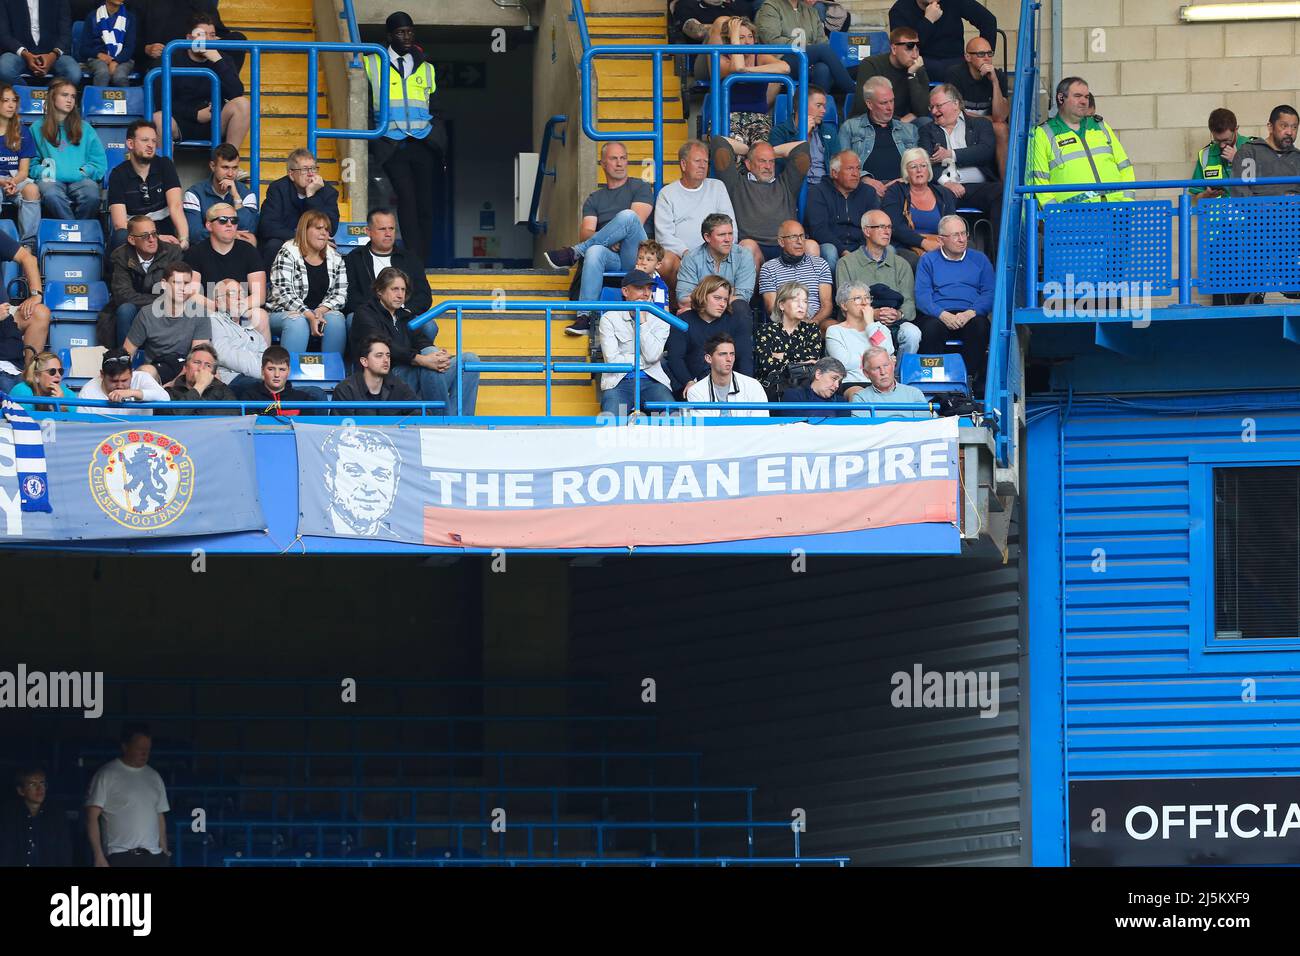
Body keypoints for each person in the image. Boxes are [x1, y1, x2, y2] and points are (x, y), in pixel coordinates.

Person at [544, 141, 653, 336]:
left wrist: (610, 237)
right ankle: (584, 316)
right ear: (602, 163)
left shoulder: (640, 186)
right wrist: (608, 240)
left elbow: (635, 221)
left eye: (623, 158)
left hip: (636, 255)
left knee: (627, 216)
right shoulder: (594, 199)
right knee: (593, 250)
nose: (620, 163)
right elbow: (586, 232)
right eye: (614, 158)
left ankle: (575, 252)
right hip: (611, 256)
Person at [363, 11, 444, 265]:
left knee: (426, 205)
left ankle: (424, 260)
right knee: (407, 200)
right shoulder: (372, 63)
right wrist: (375, 140)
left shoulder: (426, 66)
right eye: (400, 32)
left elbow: (436, 105)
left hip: (423, 141)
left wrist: (436, 136)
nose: (407, 36)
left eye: (410, 31)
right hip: (392, 143)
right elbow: (362, 105)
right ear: (389, 36)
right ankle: (414, 261)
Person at [349, 265, 479, 416]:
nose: (400, 295)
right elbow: (385, 347)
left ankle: (462, 421)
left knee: (469, 360)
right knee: (429, 367)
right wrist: (422, 360)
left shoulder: (404, 315)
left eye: (403, 290)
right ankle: (441, 421)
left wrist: (437, 356)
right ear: (380, 291)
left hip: (414, 372)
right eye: (394, 289)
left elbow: (421, 341)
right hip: (388, 377)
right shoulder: (365, 314)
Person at [711, 134, 813, 274]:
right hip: (754, 248)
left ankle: (804, 295)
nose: (768, 166)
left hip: (786, 246)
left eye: (771, 161)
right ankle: (749, 296)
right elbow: (718, 143)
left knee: (812, 246)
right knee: (747, 247)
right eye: (762, 161)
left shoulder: (786, 184)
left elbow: (803, 148)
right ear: (748, 164)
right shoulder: (736, 184)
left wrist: (769, 149)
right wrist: (749, 149)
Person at [1028, 76, 1134, 207]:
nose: (1084, 101)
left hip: (1116, 212)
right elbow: (1040, 181)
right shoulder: (1043, 133)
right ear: (1061, 98)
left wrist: (1127, 203)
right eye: (1078, 96)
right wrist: (1056, 216)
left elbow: (1125, 166)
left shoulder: (1100, 126)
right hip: (1072, 218)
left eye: (1086, 97)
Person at [914, 214, 993, 386]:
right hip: (939, 315)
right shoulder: (928, 260)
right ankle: (934, 384)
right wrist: (942, 315)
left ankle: (968, 381)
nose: (962, 239)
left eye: (964, 233)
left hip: (970, 313)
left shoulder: (980, 259)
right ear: (941, 240)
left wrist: (970, 313)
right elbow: (922, 296)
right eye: (956, 235)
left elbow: (989, 293)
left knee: (980, 326)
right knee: (930, 328)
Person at [155, 12, 250, 149]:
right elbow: (162, 102)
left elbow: (236, 93)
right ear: (189, 38)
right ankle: (165, 169)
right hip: (183, 121)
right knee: (159, 118)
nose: (207, 40)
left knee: (243, 104)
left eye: (212, 35)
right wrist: (195, 114)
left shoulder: (221, 58)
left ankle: (229, 163)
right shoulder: (172, 58)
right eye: (202, 34)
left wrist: (218, 61)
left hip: (215, 122)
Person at [653, 139, 735, 294]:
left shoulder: (717, 187)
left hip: (717, 255)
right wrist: (689, 255)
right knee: (665, 261)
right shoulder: (667, 193)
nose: (703, 165)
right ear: (683, 165)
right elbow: (663, 236)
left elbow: (730, 226)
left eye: (706, 161)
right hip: (682, 258)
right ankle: (676, 307)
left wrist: (713, 254)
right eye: (697, 161)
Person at [86, 723, 171, 867]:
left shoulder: (154, 776)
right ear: (125, 747)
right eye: (140, 748)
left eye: (148, 749)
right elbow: (91, 817)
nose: (145, 753)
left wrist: (164, 850)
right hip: (121, 856)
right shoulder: (106, 774)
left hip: (153, 856)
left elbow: (159, 815)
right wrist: (98, 856)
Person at [919, 84, 1001, 230]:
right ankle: (950, 248)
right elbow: (926, 162)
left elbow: (985, 151)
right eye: (931, 107)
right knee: (941, 197)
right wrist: (947, 183)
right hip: (945, 188)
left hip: (977, 187)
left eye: (938, 106)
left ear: (955, 104)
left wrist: (951, 154)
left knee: (1001, 193)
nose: (934, 111)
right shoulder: (927, 131)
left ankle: (997, 251)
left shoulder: (980, 124)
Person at [185, 201, 270, 342]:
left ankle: (261, 362)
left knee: (260, 316)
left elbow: (259, 296)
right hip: (210, 310)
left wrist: (235, 308)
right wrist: (220, 307)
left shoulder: (249, 251)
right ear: (209, 225)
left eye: (234, 220)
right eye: (223, 220)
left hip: (242, 311)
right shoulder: (195, 252)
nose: (229, 224)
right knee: (198, 315)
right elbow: (192, 294)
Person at [835, 210, 919, 350]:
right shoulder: (846, 263)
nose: (887, 232)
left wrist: (899, 314)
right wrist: (872, 314)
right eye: (881, 227)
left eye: (889, 227)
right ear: (867, 231)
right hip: (859, 323)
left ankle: (897, 371)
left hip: (895, 322)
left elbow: (909, 302)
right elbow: (844, 304)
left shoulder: (902, 264)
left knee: (912, 333)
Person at [266, 210, 348, 355]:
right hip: (283, 312)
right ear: (305, 230)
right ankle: (289, 375)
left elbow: (340, 294)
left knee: (336, 320)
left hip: (319, 313)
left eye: (326, 229)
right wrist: (309, 316)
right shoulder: (288, 252)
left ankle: (332, 374)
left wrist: (320, 311)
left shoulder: (335, 256)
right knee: (297, 322)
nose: (324, 233)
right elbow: (283, 294)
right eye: (318, 228)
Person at [597, 268, 675, 417]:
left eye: (649, 289)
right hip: (619, 382)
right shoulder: (609, 318)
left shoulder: (661, 318)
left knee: (671, 418)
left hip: (652, 380)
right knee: (611, 420)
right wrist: (644, 360)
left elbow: (652, 356)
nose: (646, 294)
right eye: (640, 288)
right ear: (625, 292)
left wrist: (643, 322)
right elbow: (613, 362)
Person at [703, 15, 788, 147]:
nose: (748, 42)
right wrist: (734, 38)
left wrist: (751, 71)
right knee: (732, 147)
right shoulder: (722, 58)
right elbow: (738, 67)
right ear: (731, 40)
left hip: (759, 119)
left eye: (750, 37)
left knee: (762, 151)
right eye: (741, 37)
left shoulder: (759, 56)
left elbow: (785, 67)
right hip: (727, 118)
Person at [124, 260, 212, 383]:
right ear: (164, 284)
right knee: (145, 372)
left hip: (188, 372)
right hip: (157, 371)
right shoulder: (147, 314)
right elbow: (127, 353)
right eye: (177, 283)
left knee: (202, 372)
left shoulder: (200, 314)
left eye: (186, 283)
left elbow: (199, 359)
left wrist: (173, 384)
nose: (182, 288)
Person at [665, 274, 754, 395]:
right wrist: (688, 381)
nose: (722, 304)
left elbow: (745, 357)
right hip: (693, 387)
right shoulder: (683, 321)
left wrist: (745, 388)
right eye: (717, 298)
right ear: (703, 296)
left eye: (725, 299)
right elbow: (675, 358)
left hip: (728, 387)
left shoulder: (735, 321)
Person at [106, 119, 187, 250]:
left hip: (165, 232)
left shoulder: (165, 165)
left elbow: (176, 207)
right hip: (135, 236)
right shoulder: (118, 174)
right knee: (120, 236)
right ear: (130, 143)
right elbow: (120, 224)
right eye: (145, 140)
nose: (150, 145)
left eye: (153, 141)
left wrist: (184, 239)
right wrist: (155, 238)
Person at [102, 213, 182, 346]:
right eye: (145, 236)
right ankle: (124, 359)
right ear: (132, 240)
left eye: (154, 234)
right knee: (125, 309)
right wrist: (156, 300)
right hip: (137, 307)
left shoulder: (173, 253)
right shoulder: (121, 256)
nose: (152, 239)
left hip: (165, 309)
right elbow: (123, 296)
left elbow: (176, 292)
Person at [31, 77, 105, 220]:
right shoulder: (36, 128)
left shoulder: (86, 128)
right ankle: (74, 229)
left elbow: (98, 163)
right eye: (64, 95)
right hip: (51, 179)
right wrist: (47, 172)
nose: (69, 100)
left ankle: (80, 231)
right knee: (51, 194)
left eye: (72, 96)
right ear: (52, 98)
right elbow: (31, 163)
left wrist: (84, 171)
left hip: (80, 179)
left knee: (92, 195)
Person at [837, 76, 919, 199]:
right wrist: (864, 179)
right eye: (884, 103)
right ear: (869, 104)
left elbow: (919, 165)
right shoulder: (850, 127)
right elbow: (841, 164)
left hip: (902, 189)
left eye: (892, 101)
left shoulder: (909, 130)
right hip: (864, 190)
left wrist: (902, 181)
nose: (890, 107)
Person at [343, 207, 432, 321]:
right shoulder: (354, 258)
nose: (388, 234)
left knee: (429, 326)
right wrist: (376, 310)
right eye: (382, 229)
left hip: (404, 315)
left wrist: (407, 310)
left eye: (391, 229)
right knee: (352, 320)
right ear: (368, 232)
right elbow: (350, 295)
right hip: (369, 315)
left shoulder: (410, 258)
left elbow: (424, 295)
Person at [754, 0, 856, 99]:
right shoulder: (771, 6)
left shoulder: (811, 11)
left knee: (822, 69)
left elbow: (822, 40)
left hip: (807, 62)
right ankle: (854, 92)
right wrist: (808, 48)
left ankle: (812, 112)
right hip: (781, 60)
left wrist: (812, 54)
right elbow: (772, 40)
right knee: (822, 50)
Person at [258, 148, 340, 269]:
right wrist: (304, 239)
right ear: (291, 174)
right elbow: (267, 226)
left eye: (313, 168)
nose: (311, 173)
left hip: (314, 243)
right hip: (285, 240)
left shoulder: (328, 191)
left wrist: (311, 195)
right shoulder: (278, 189)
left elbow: (330, 227)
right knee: (273, 245)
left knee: (328, 249)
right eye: (305, 169)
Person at [806, 150, 879, 279]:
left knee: (888, 250)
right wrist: (843, 251)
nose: (856, 174)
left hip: (861, 246)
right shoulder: (818, 192)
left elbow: (875, 225)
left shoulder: (868, 192)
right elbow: (819, 230)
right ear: (834, 173)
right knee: (829, 251)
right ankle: (835, 295)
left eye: (858, 168)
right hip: (832, 246)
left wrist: (861, 252)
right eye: (850, 169)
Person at [881, 146, 957, 269]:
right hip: (906, 246)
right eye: (913, 167)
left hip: (940, 244)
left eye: (923, 166)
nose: (919, 170)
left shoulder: (943, 193)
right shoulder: (895, 192)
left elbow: (952, 225)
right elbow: (895, 227)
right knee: (916, 262)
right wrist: (924, 243)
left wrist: (941, 246)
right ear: (906, 171)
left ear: (928, 169)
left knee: (967, 248)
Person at [944, 36, 1009, 178]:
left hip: (986, 125)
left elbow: (1000, 117)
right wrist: (988, 119)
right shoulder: (955, 74)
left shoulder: (998, 76)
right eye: (980, 54)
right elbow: (955, 113)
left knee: (1002, 128)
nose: (986, 58)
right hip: (962, 124)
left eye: (989, 54)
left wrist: (995, 83)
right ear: (968, 57)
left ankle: (1006, 186)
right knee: (998, 126)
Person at [675, 212, 756, 324]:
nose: (728, 239)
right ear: (707, 237)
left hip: (728, 314)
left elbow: (742, 297)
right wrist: (726, 296)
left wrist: (704, 300)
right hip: (700, 318)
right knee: (685, 314)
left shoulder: (743, 255)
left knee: (741, 308)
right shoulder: (691, 258)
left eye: (730, 233)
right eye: (722, 235)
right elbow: (683, 299)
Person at [320, 426, 402, 535]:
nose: (369, 487)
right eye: (354, 471)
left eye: (381, 475)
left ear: (395, 485)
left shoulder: (399, 541)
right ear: (329, 477)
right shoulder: (311, 528)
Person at [888, 0, 997, 80]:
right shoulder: (899, 10)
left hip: (956, 62)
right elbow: (904, 48)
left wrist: (984, 57)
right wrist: (928, 20)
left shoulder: (954, 2)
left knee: (986, 72)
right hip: (920, 64)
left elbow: (988, 21)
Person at [136, 0, 246, 78]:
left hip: (200, 57)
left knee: (238, 40)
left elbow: (220, 32)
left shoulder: (202, 3)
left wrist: (210, 38)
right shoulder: (144, 3)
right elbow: (128, 39)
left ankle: (225, 92)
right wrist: (146, 49)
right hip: (165, 60)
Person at [826, 283, 899, 397]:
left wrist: (870, 324)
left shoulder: (880, 328)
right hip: (852, 383)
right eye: (858, 299)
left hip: (883, 382)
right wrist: (879, 362)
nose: (865, 302)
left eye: (867, 298)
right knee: (859, 395)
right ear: (844, 305)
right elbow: (843, 364)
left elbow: (887, 351)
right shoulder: (835, 331)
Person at [848, 27, 931, 124]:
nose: (915, 55)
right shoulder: (871, 65)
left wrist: (912, 75)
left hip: (903, 127)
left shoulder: (916, 68)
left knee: (925, 122)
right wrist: (899, 121)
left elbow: (923, 111)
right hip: (871, 123)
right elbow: (863, 105)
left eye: (917, 49)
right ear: (894, 49)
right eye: (909, 48)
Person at [0, 227, 49, 389]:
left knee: (39, 313)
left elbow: (28, 258)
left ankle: (30, 376)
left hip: (4, 319)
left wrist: (36, 294)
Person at [758, 220, 833, 327]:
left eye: (802, 236)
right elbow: (771, 307)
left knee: (833, 328)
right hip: (784, 323)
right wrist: (793, 321)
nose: (800, 241)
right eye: (793, 237)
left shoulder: (820, 264)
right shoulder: (769, 268)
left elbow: (827, 305)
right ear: (781, 242)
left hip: (816, 322)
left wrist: (814, 322)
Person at [183, 143, 258, 245]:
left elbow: (248, 229)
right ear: (213, 166)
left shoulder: (247, 194)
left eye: (235, 168)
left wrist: (236, 196)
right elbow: (194, 234)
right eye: (225, 167)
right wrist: (230, 235)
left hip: (237, 251)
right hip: (207, 251)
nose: (230, 174)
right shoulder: (194, 194)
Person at [0, 766, 73, 866]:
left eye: (42, 783)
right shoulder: (9, 816)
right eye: (33, 784)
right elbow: (5, 851)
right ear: (21, 791)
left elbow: (64, 852)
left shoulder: (56, 815)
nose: (40, 788)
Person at [754, 280, 823, 385]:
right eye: (796, 300)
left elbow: (813, 359)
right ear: (781, 305)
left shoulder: (812, 329)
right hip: (774, 387)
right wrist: (801, 363)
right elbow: (766, 365)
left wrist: (783, 355)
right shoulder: (766, 330)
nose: (802, 305)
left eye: (805, 301)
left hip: (804, 386)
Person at [331, 334, 419, 416]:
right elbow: (341, 428)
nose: (386, 360)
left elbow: (422, 412)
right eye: (379, 355)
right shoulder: (345, 389)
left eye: (388, 356)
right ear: (364, 361)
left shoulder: (399, 386)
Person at [766, 85, 837, 186]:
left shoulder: (829, 132)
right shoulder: (779, 132)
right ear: (802, 106)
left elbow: (838, 164)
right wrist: (802, 135)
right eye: (818, 105)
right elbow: (778, 168)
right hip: (792, 188)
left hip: (825, 188)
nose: (823, 111)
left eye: (824, 106)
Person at [684, 333, 768, 417]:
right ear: (708, 358)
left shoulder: (753, 386)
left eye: (732, 354)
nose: (729, 359)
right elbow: (705, 428)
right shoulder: (696, 391)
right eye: (723, 354)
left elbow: (761, 425)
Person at [0, 0, 80, 85]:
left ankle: (50, 95)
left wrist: (53, 55)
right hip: (19, 53)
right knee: (4, 68)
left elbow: (65, 34)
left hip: (53, 53)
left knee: (73, 73)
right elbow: (4, 35)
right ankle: (25, 94)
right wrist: (25, 54)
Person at [0, 84, 39, 246]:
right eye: (5, 101)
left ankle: (28, 245)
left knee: (32, 189)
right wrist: (3, 182)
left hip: (15, 177)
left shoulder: (22, 131)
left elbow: (24, 171)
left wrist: (13, 182)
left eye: (14, 100)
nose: (11, 105)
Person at [1231, 105, 1300, 197]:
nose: (1290, 132)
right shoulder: (1249, 152)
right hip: (1257, 210)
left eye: (1294, 127)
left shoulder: (1297, 157)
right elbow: (1240, 191)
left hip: (1293, 211)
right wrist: (1264, 206)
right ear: (1270, 127)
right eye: (1284, 126)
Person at [77, 345, 170, 412]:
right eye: (114, 381)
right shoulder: (88, 392)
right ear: (102, 375)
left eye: (125, 380)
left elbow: (166, 398)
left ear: (132, 373)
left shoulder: (142, 378)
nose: (120, 386)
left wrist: (133, 392)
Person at [235, 345, 321, 416]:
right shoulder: (250, 398)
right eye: (271, 369)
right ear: (262, 370)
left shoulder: (304, 399)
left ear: (289, 371)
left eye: (282, 369)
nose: (277, 375)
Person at [851, 344, 930, 418]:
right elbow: (864, 430)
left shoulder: (914, 393)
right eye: (876, 368)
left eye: (886, 365)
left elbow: (923, 427)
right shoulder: (861, 398)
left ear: (893, 365)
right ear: (866, 373)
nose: (883, 372)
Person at [161, 341, 235, 412]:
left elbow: (231, 420)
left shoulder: (224, 392)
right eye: (197, 362)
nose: (201, 368)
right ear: (186, 367)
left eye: (208, 365)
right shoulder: (169, 393)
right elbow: (173, 418)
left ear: (213, 373)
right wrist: (199, 386)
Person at [1191, 108, 1247, 202]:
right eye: (1217, 140)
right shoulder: (1205, 155)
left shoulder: (1252, 147)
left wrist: (1237, 160)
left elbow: (1265, 187)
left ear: (1236, 129)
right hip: (1216, 215)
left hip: (1247, 214)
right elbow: (1196, 196)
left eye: (1226, 140)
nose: (1222, 145)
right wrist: (1206, 195)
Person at [80, 0, 135, 86]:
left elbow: (129, 48)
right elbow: (84, 49)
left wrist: (116, 61)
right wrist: (99, 55)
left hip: (123, 59)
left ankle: (124, 100)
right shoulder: (92, 17)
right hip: (97, 58)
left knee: (120, 76)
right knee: (103, 72)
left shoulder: (130, 18)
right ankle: (98, 99)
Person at [776, 355, 850, 416]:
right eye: (834, 378)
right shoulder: (793, 396)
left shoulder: (841, 402)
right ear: (818, 374)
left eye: (839, 381)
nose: (837, 385)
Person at [674, 0, 759, 41]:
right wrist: (732, 28)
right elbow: (697, 32)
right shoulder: (686, 5)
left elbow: (753, 33)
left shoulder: (740, 6)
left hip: (741, 55)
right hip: (706, 57)